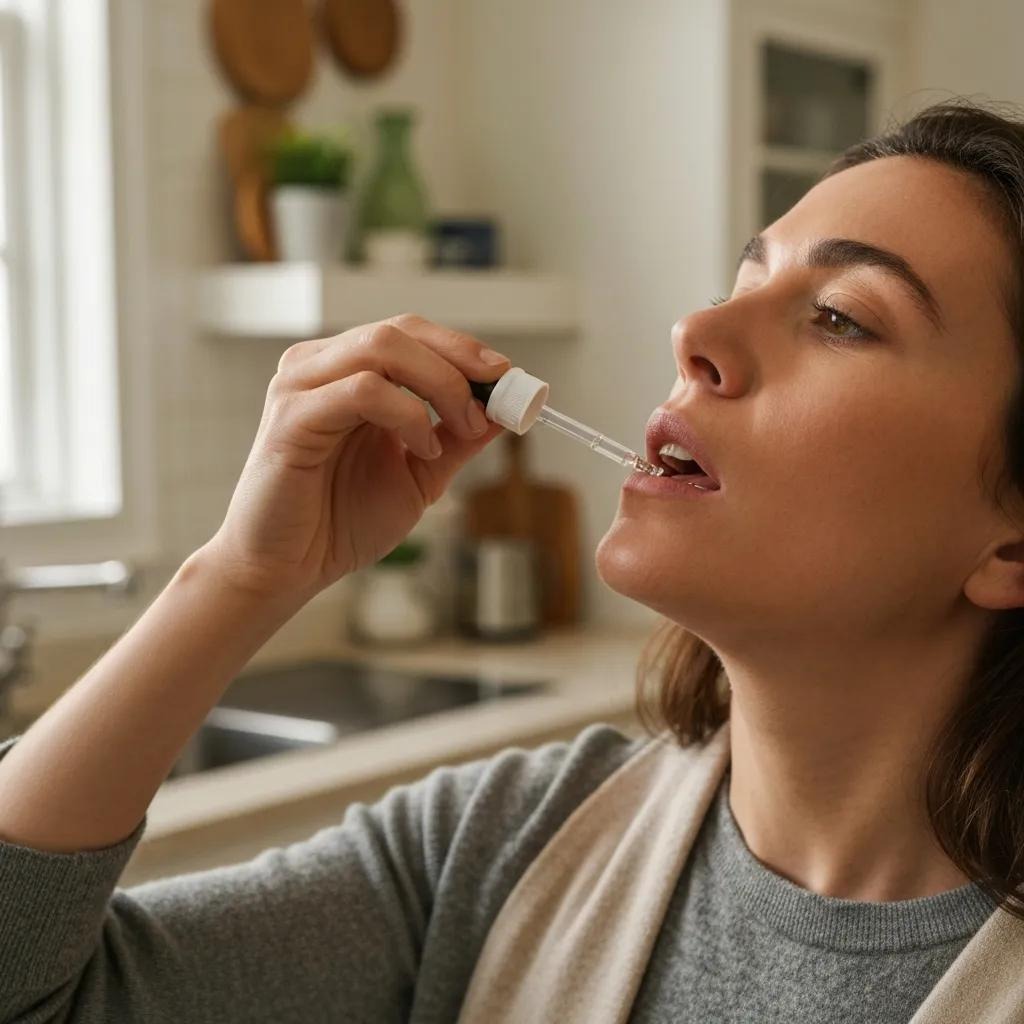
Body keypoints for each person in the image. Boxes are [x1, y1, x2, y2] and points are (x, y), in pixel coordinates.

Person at [2, 97, 1023, 1023]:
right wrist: (238, 576)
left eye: (841, 317)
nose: (695, 330)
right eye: (740, 281)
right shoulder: (497, 846)